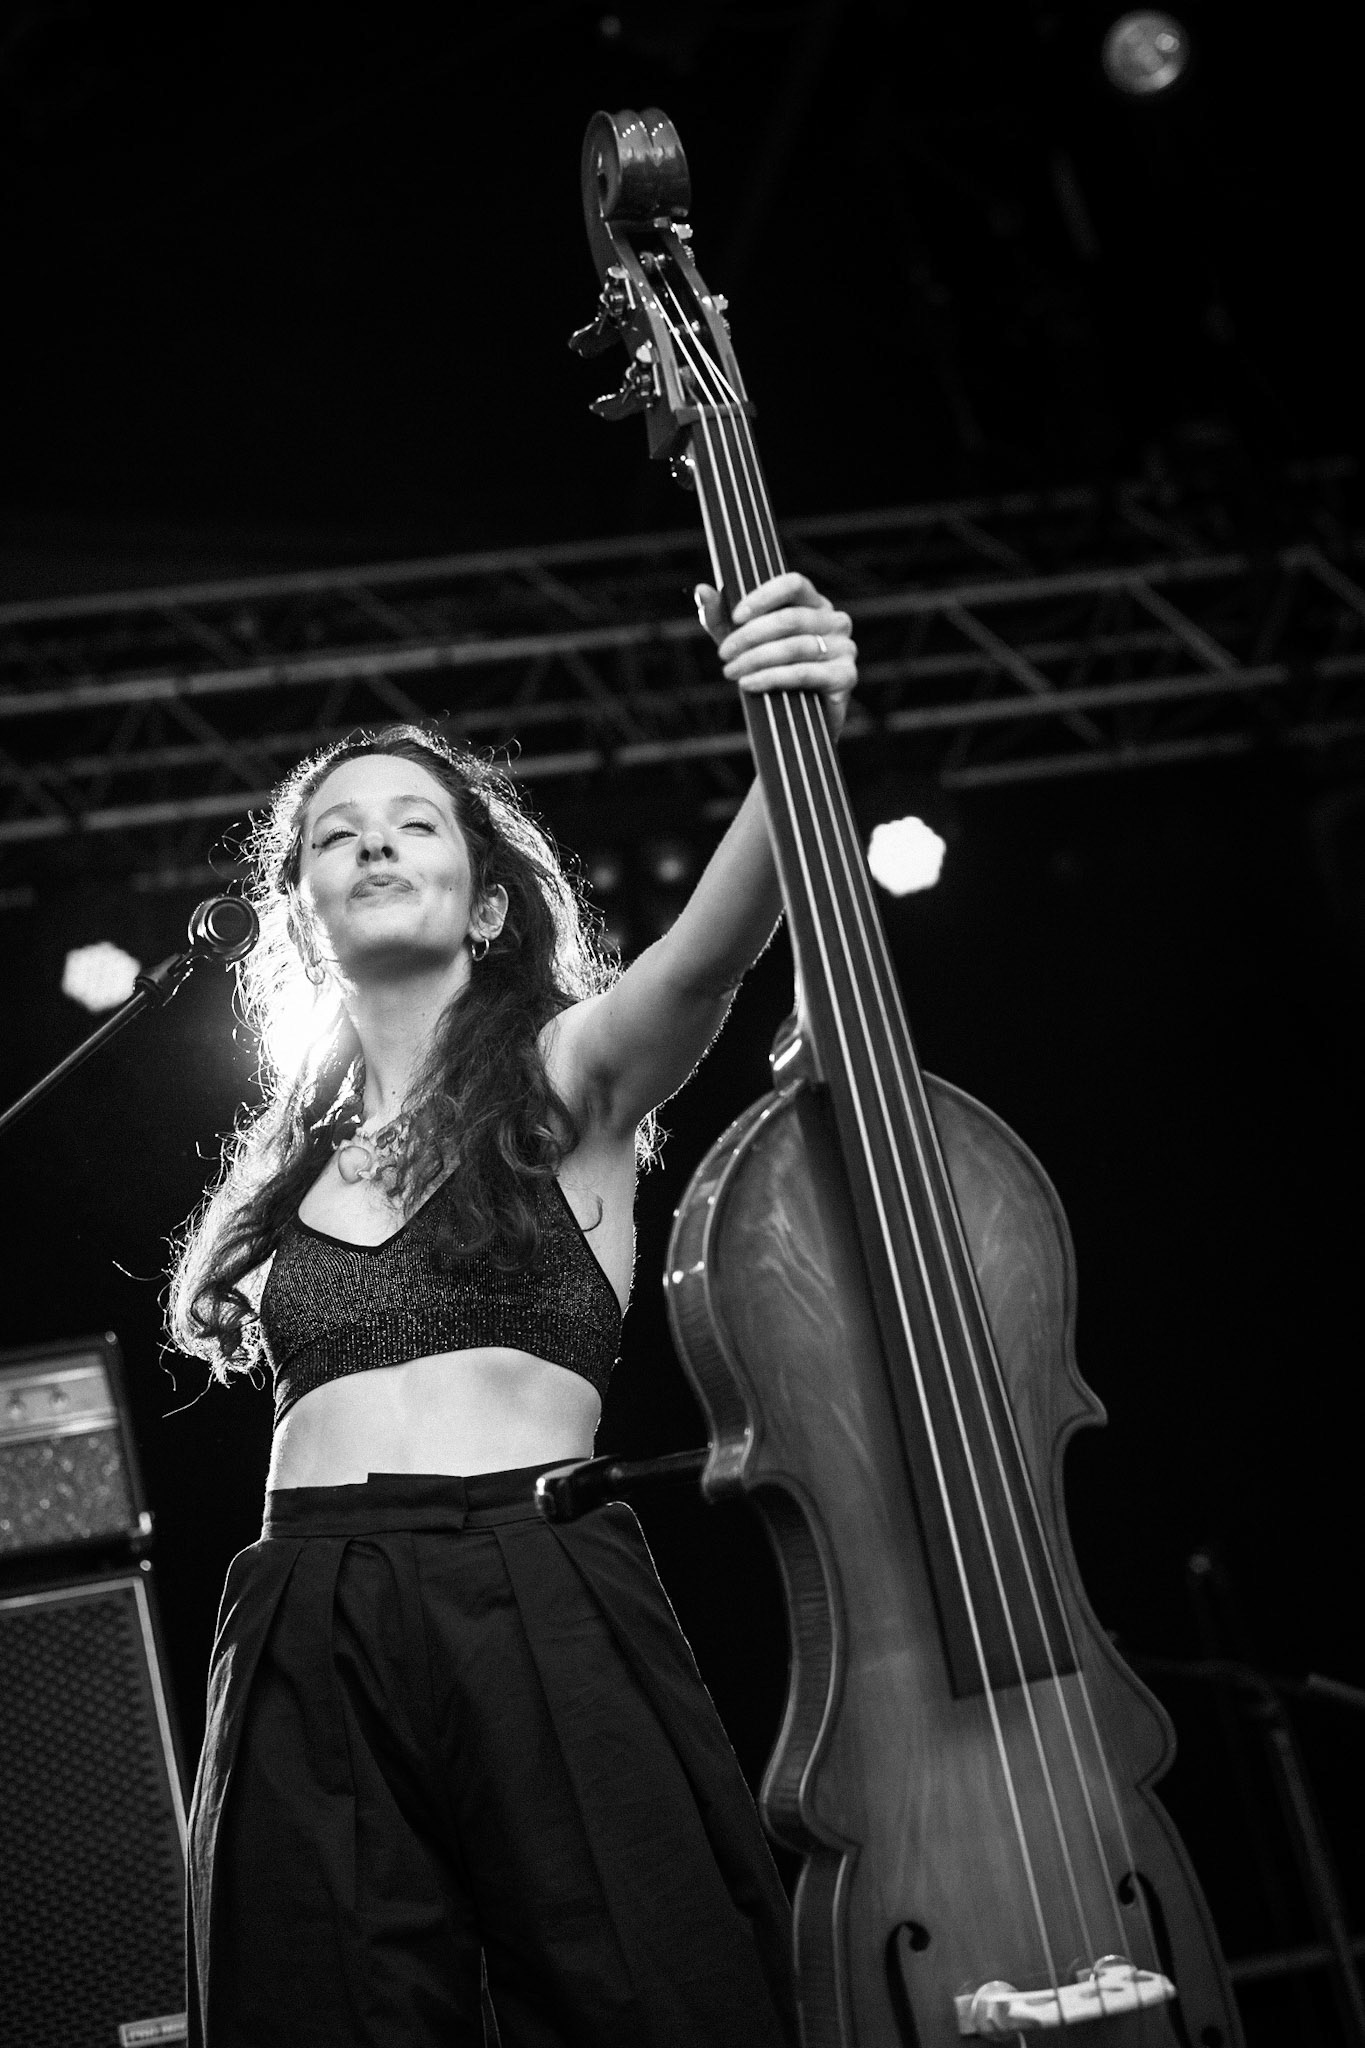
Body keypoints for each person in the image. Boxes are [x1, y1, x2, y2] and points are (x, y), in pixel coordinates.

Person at [169, 570, 856, 2048]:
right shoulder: (285, 1176)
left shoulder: (565, 1084)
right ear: (299, 914)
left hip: (529, 1572)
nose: (372, 843)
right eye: (336, 836)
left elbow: (710, 951)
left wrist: (794, 720)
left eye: (412, 823)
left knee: (647, 1982)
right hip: (305, 1598)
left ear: (487, 903)